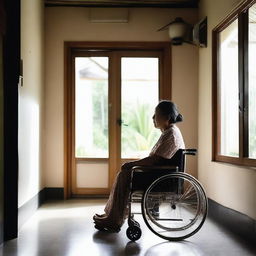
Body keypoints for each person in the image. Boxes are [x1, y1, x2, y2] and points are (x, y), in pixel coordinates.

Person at [93, 100, 185, 232]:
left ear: (167, 118)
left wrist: (132, 164)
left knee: (125, 173)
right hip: (159, 174)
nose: (153, 118)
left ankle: (114, 219)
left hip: (161, 178)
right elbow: (156, 158)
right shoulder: (169, 132)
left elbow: (154, 160)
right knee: (124, 172)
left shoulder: (171, 134)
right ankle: (112, 215)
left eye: (156, 115)